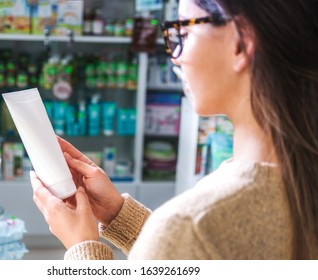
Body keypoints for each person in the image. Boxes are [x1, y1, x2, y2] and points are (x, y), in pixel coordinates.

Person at [31, 0, 318, 259]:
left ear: (241, 43)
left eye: (184, 33)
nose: (174, 57)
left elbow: (190, 241)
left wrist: (82, 245)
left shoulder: (189, 225)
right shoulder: (299, 180)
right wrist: (119, 214)